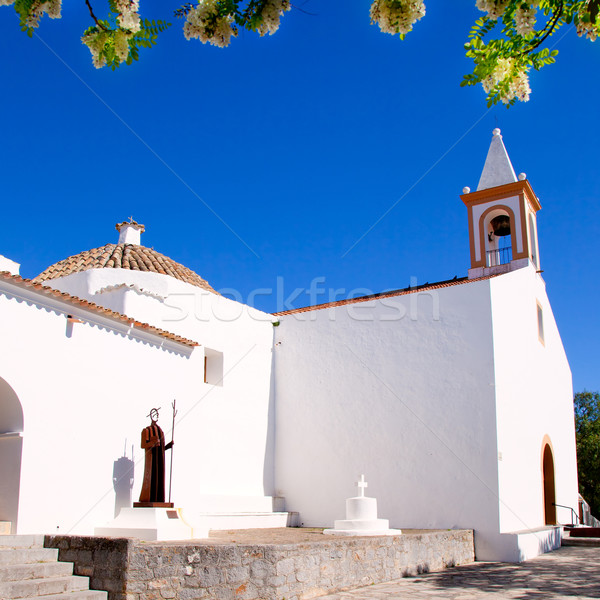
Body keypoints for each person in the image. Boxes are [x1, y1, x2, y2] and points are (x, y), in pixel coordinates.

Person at [138, 408, 173, 504]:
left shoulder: (160, 431)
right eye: (154, 414)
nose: (156, 416)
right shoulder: (146, 430)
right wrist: (152, 443)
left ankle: (159, 499)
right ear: (150, 416)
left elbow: (160, 449)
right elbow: (143, 445)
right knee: (151, 480)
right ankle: (148, 498)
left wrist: (168, 446)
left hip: (160, 462)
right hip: (152, 461)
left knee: (159, 480)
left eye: (157, 414)